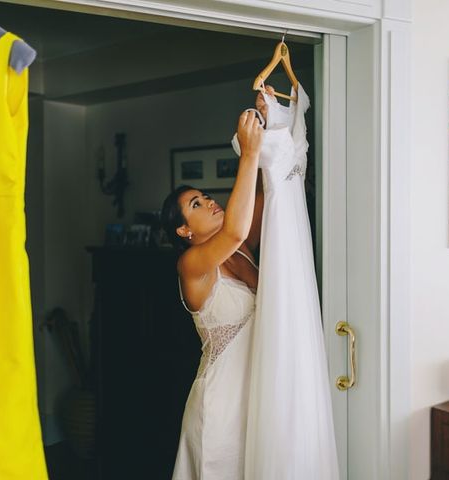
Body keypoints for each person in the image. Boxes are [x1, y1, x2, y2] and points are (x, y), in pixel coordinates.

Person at [161, 106, 266, 479]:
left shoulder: (242, 249)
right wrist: (249, 153)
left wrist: (268, 134)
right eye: (196, 205)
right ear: (184, 231)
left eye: (205, 196)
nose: (209, 202)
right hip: (220, 405)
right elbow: (235, 229)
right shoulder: (191, 266)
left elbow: (263, 195)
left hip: (258, 399)